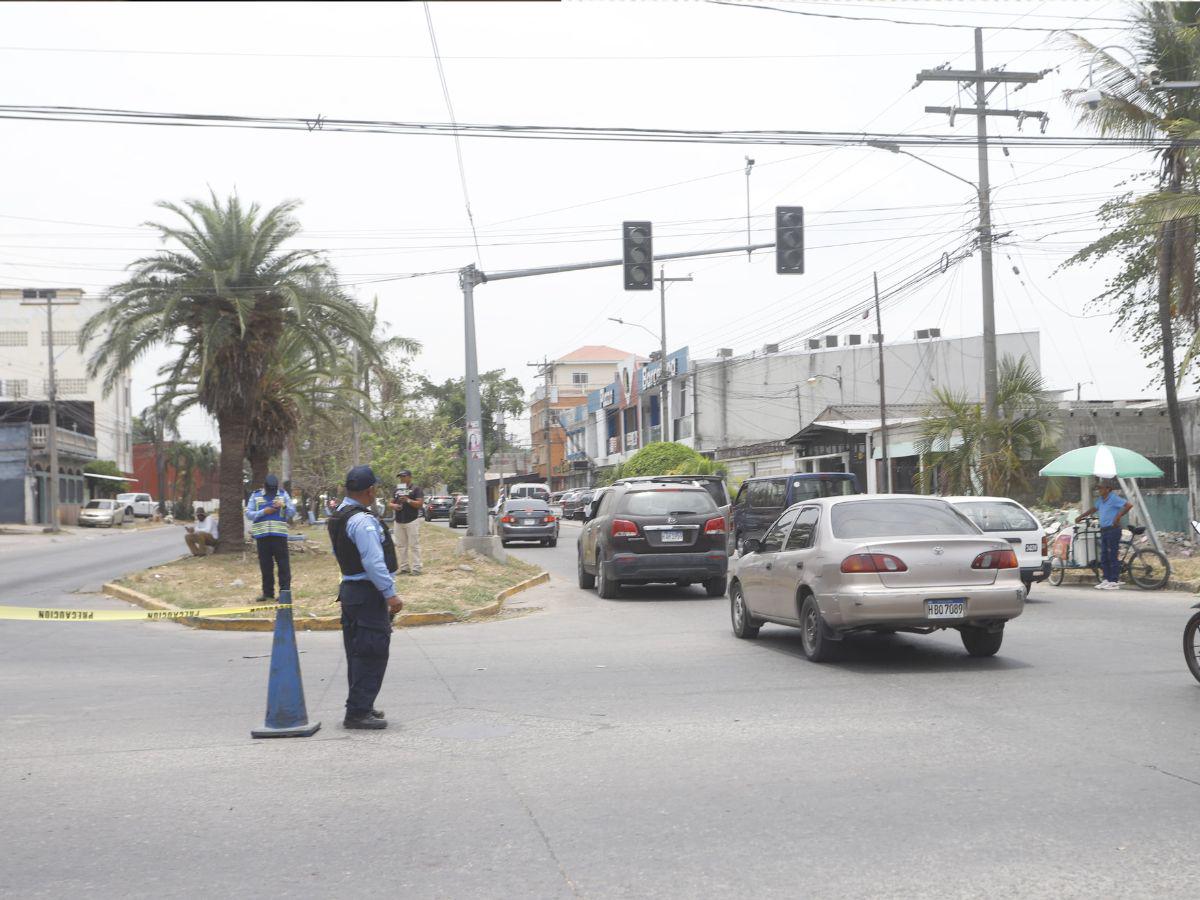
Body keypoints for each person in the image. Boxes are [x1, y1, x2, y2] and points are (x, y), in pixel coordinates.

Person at [327, 465, 403, 730]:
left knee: (358, 653)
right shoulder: (362, 521)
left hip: (350, 592)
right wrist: (390, 594)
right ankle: (358, 712)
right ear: (370, 491)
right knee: (372, 652)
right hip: (367, 593)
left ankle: (362, 704)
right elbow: (373, 562)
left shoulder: (338, 516)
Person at [245, 474, 296, 602]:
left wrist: (283, 506)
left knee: (283, 565)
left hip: (279, 536)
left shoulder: (283, 495)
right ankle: (268, 593)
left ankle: (284, 593)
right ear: (264, 486)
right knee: (265, 566)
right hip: (262, 536)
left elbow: (292, 512)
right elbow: (248, 514)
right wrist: (264, 512)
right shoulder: (256, 495)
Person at [1077, 480, 1133, 590]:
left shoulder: (1114, 498)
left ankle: (1114, 580)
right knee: (1104, 556)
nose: (1099, 490)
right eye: (1098, 488)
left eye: (1101, 488)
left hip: (1113, 530)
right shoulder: (1100, 500)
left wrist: (1118, 516)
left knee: (1112, 555)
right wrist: (1081, 516)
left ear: (1108, 489)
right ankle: (1106, 579)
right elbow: (1093, 509)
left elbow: (1128, 505)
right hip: (1104, 530)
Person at [389, 469, 424, 575]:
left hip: (411, 520)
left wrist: (407, 500)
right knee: (401, 546)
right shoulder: (397, 489)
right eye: (400, 477)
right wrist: (395, 506)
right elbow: (390, 503)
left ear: (410, 477)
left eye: (404, 476)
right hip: (399, 521)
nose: (402, 478)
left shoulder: (416, 489)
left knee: (414, 545)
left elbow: (420, 504)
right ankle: (404, 568)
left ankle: (417, 568)